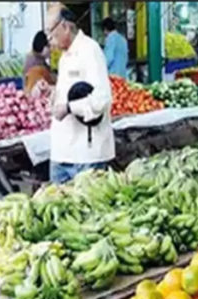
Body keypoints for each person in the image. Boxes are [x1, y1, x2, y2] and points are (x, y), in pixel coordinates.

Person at [46, 3, 114, 184]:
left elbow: (101, 99)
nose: (49, 39)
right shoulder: (64, 57)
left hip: (86, 155)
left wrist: (69, 108)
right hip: (62, 153)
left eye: (50, 32)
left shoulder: (90, 51)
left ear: (65, 27)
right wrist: (52, 92)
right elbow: (72, 91)